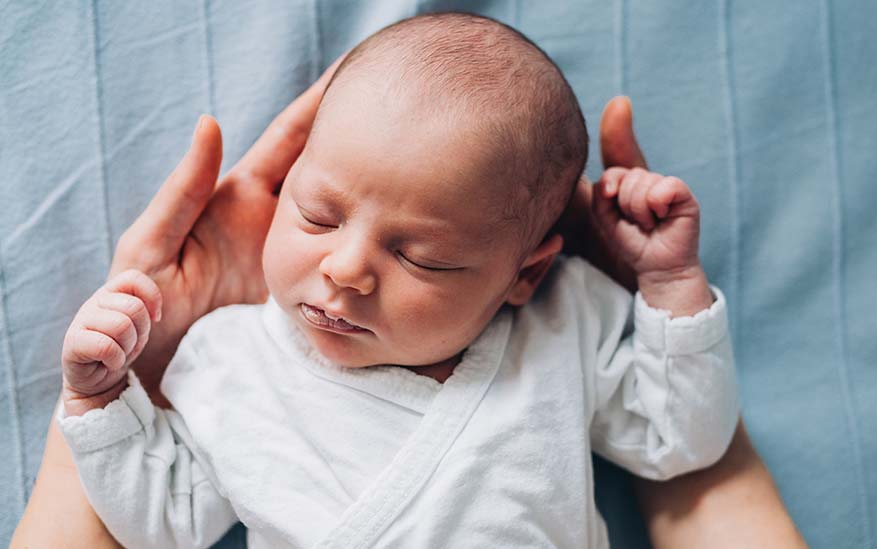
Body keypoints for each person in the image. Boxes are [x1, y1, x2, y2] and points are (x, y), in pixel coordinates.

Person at [13, 15, 806, 549]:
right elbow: (163, 518)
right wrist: (103, 402)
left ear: (524, 273)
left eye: (421, 257)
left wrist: (670, 289)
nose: (347, 269)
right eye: (318, 215)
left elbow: (683, 442)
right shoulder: (227, 357)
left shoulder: (567, 320)